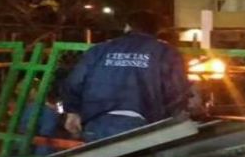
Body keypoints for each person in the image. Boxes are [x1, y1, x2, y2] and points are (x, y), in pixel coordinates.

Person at [62, 10, 189, 143]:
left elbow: (74, 82)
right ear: (157, 30)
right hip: (144, 124)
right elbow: (176, 90)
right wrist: (174, 117)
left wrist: (73, 112)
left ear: (127, 27)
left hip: (97, 122)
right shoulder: (166, 52)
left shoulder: (99, 50)